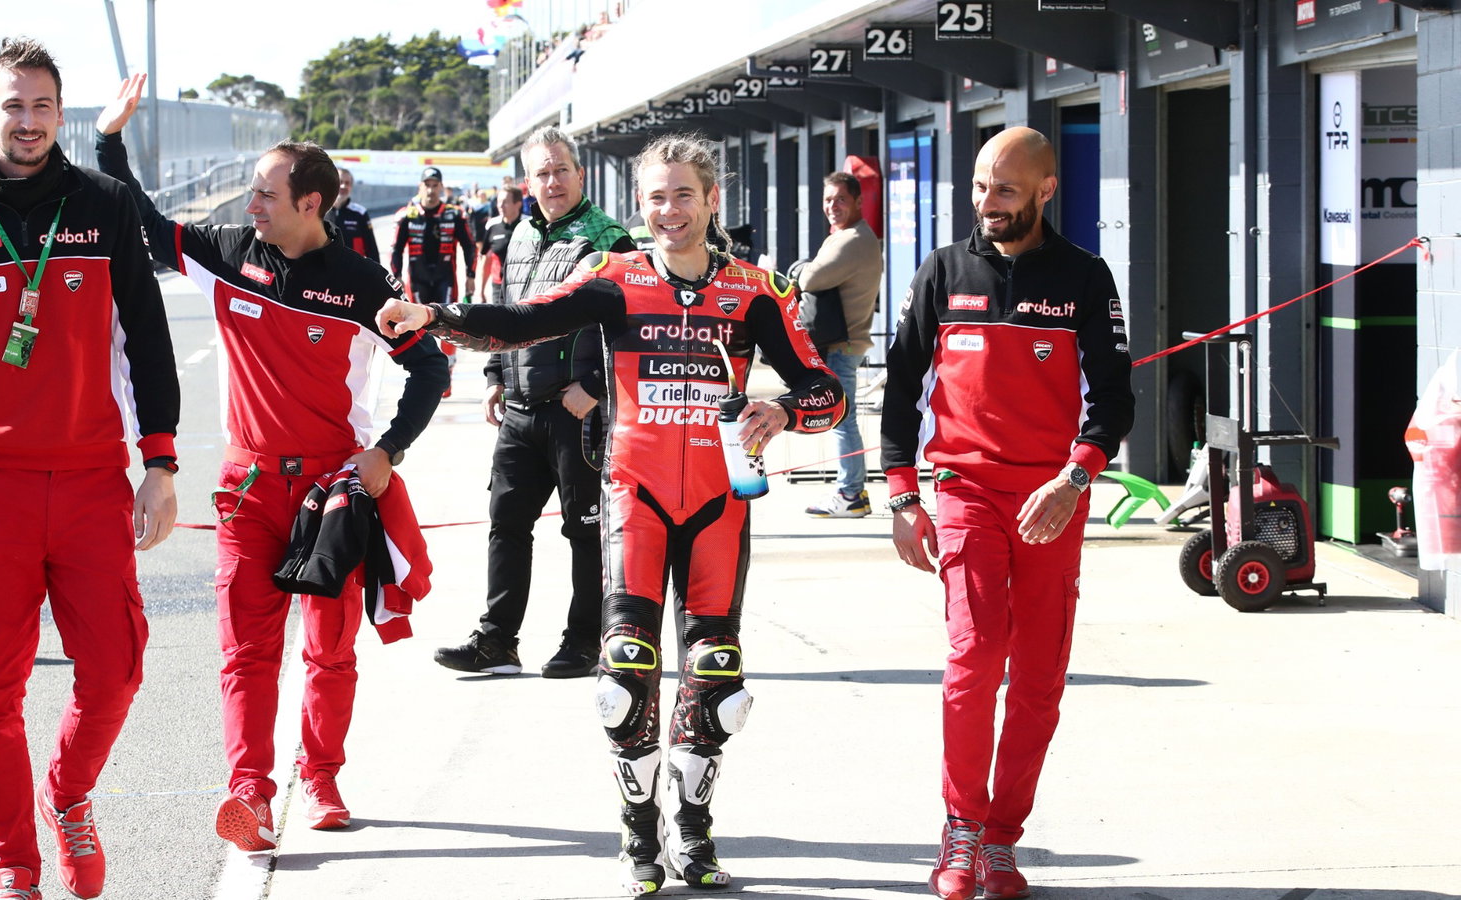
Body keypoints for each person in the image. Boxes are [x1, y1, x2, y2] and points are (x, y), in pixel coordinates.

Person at [380, 133, 844, 895]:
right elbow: (516, 321)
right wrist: (434, 314)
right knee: (624, 676)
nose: (670, 210)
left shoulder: (757, 291)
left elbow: (823, 391)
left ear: (712, 199)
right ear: (640, 203)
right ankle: (639, 840)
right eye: (656, 197)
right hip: (635, 494)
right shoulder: (615, 278)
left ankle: (693, 832)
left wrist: (782, 410)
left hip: (720, 505)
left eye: (684, 194)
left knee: (717, 679)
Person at [94, 74, 448, 853]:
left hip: (333, 490)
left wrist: (385, 454)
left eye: (264, 193)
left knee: (329, 649)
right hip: (247, 486)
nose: (248, 204)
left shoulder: (364, 286)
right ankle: (250, 795)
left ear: (311, 204)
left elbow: (432, 370)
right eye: (252, 191)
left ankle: (319, 776)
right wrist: (108, 141)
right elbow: (147, 225)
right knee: (246, 650)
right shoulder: (226, 256)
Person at [0, 38, 179, 900]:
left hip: (91, 478)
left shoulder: (106, 205)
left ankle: (69, 795)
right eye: (12, 105)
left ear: (62, 113)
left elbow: (149, 340)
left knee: (117, 667)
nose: (28, 121)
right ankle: (15, 869)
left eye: (43, 105)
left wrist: (158, 464)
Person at [880, 126, 1134, 900]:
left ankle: (1000, 838)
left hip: (1052, 500)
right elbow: (899, 388)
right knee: (975, 654)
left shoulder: (1086, 278)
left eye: (1006, 190)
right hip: (965, 493)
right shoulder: (943, 271)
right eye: (981, 187)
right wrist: (900, 494)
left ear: (1046, 189)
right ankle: (960, 830)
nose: (987, 203)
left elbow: (1116, 398)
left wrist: (1075, 479)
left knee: (1039, 678)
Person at [433, 126, 635, 679]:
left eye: (561, 170)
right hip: (519, 411)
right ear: (528, 181)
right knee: (506, 524)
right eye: (542, 173)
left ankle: (586, 641)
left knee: (584, 530)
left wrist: (593, 386)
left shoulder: (608, 238)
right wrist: (496, 371)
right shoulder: (519, 234)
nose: (553, 181)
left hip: (577, 413)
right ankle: (497, 642)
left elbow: (632, 322)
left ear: (581, 174)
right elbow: (509, 305)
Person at [794, 171, 883, 518]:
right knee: (841, 420)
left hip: (843, 346)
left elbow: (812, 277)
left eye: (841, 199)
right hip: (842, 345)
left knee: (842, 421)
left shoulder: (854, 240)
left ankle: (851, 494)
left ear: (859, 202)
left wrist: (801, 268)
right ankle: (851, 491)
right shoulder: (845, 235)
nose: (832, 206)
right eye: (828, 199)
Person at [392, 166, 477, 396]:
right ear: (420, 187)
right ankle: (427, 374)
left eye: (435, 185)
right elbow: (396, 249)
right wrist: (396, 276)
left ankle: (447, 371)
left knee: (449, 325)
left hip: (445, 279)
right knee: (419, 327)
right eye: (426, 185)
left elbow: (470, 246)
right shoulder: (406, 215)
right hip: (417, 281)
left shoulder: (455, 214)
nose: (430, 190)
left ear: (441, 187)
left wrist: (471, 275)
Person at [474, 184, 521, 305]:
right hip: (498, 286)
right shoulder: (492, 226)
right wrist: (481, 290)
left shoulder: (530, 225)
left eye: (505, 202)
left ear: (518, 204)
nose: (500, 205)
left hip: (522, 286)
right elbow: (487, 259)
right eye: (499, 201)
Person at [326, 167, 379, 261]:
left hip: (353, 272)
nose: (343, 186)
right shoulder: (320, 211)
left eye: (347, 183)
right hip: (325, 272)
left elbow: (371, 249)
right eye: (340, 182)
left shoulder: (360, 213)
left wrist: (377, 274)